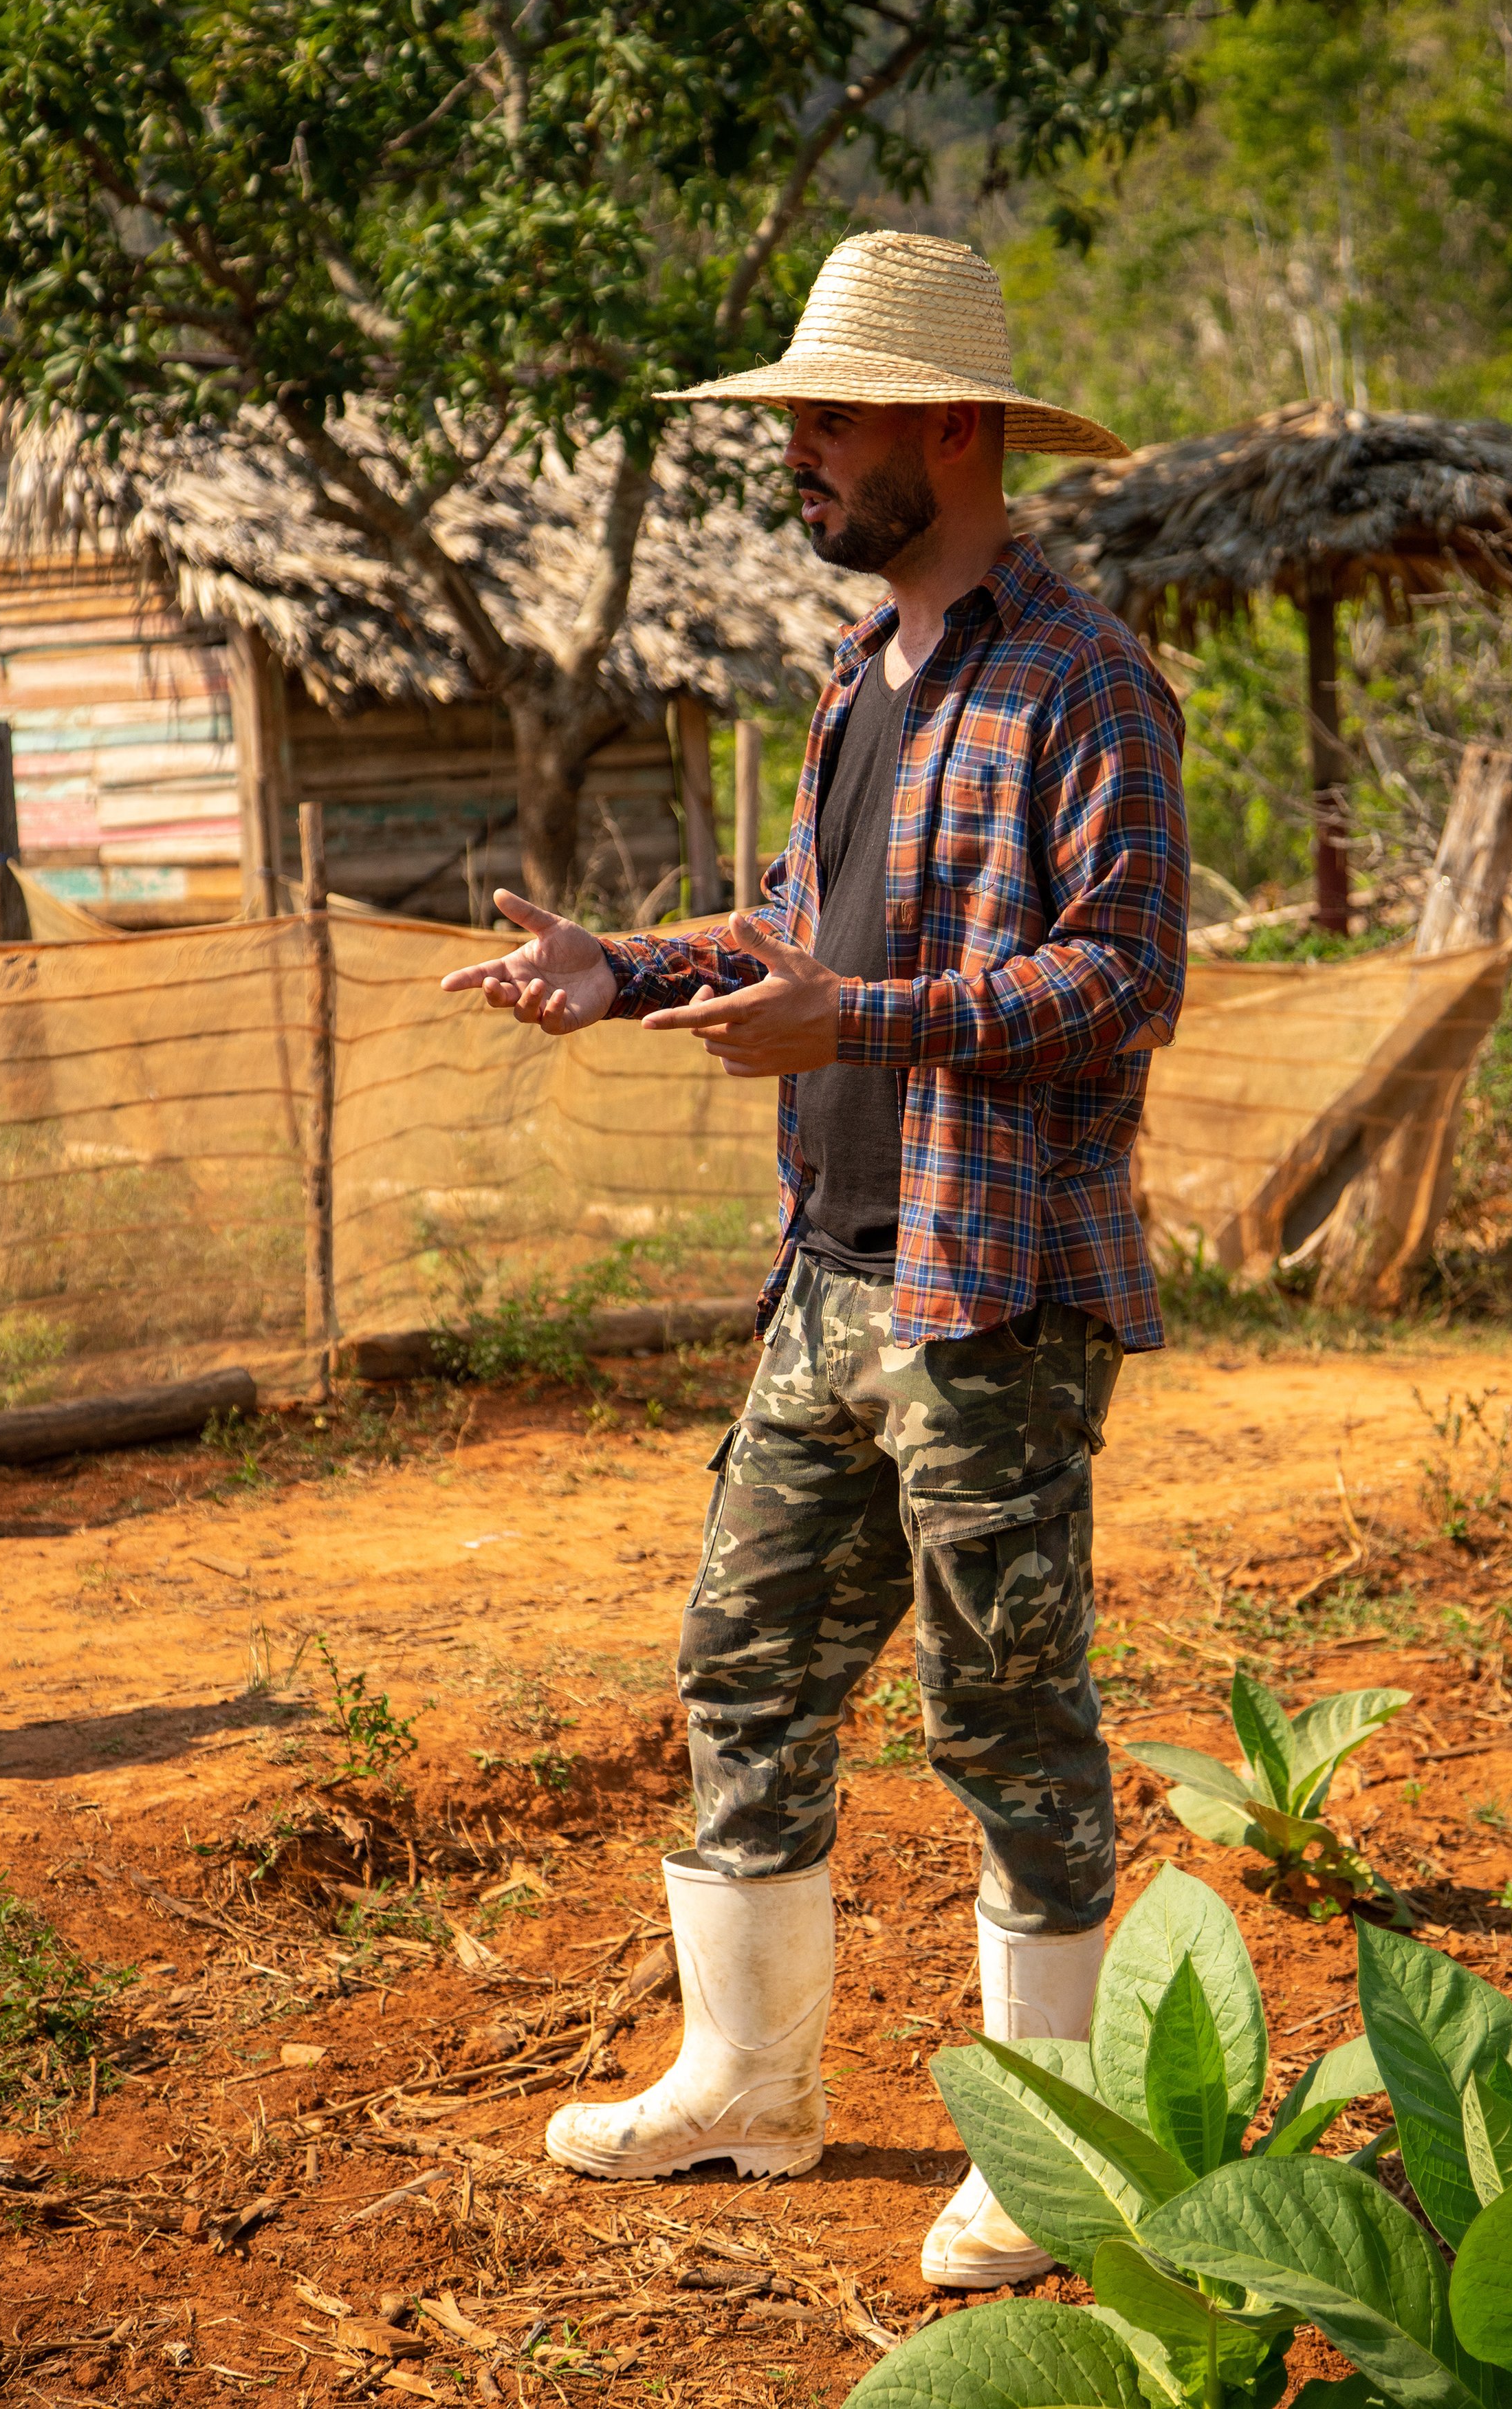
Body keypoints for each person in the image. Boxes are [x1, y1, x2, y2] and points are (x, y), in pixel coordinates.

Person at [440, 230, 1188, 2288]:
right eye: (787, 420)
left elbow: (1119, 981)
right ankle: (748, 2082)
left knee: (1004, 1708)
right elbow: (798, 940)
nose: (794, 453)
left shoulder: (1085, 677)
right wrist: (624, 970)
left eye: (825, 418)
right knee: (744, 1660)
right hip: (835, 1273)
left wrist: (853, 1018)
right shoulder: (861, 676)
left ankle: (1052, 2156)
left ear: (950, 428)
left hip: (995, 1289)